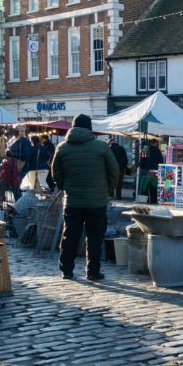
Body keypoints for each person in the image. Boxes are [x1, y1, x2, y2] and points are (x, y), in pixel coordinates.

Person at [52, 114, 119, 281]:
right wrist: (107, 189)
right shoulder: (101, 147)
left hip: (73, 200)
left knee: (70, 236)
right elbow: (114, 171)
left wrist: (64, 187)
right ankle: (93, 271)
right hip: (96, 201)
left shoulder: (62, 147)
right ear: (90, 128)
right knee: (95, 237)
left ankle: (66, 270)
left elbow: (56, 173)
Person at [138, 138, 164, 203]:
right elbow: (161, 161)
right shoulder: (158, 151)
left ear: (150, 143)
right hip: (155, 171)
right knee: (154, 185)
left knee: (145, 185)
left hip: (146, 170)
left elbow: (142, 160)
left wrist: (142, 167)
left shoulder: (145, 150)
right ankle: (153, 200)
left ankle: (145, 200)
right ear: (156, 143)